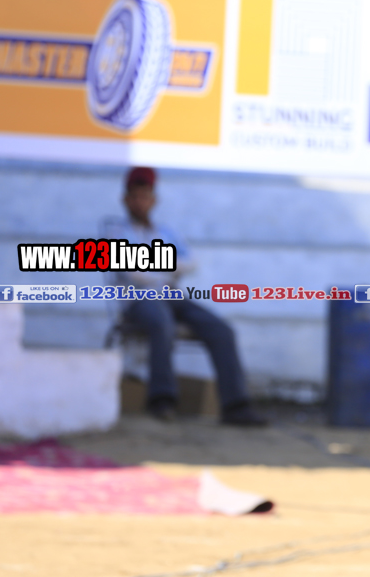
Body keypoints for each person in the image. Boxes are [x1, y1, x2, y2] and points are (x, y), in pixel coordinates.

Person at [108, 167, 266, 426]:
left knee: (221, 330)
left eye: (145, 197)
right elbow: (134, 272)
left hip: (173, 297)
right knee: (162, 323)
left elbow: (192, 262)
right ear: (125, 200)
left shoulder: (166, 232)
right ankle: (162, 399)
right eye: (134, 197)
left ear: (154, 200)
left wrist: (154, 267)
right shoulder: (116, 232)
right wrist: (168, 268)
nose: (139, 202)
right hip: (139, 301)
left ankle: (236, 405)